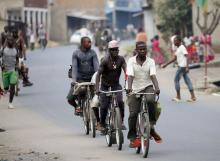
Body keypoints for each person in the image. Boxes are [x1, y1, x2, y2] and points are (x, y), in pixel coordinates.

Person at [126, 41, 162, 148]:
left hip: (147, 86)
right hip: (134, 88)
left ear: (147, 50)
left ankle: (151, 124)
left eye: (144, 49)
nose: (142, 51)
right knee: (133, 114)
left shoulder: (151, 61)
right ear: (136, 50)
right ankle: (132, 137)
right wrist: (129, 88)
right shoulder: (131, 61)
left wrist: (157, 87)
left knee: (151, 100)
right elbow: (130, 76)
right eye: (140, 49)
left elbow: (153, 76)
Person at [96, 40, 127, 133]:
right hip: (105, 86)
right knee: (104, 106)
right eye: (112, 50)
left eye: (116, 50)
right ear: (109, 51)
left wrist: (128, 84)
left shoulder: (121, 59)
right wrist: (97, 88)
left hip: (116, 85)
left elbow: (127, 72)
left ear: (118, 50)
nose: (115, 52)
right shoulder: (105, 60)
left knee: (120, 102)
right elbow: (98, 75)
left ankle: (121, 121)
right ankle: (102, 124)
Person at [67, 36, 99, 115]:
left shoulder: (93, 53)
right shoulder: (76, 53)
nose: (90, 43)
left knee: (99, 97)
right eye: (88, 42)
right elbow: (74, 68)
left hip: (92, 79)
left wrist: (98, 77)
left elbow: (97, 68)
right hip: (80, 79)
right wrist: (74, 81)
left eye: (90, 42)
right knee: (70, 98)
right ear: (82, 43)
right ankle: (77, 107)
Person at [162, 35, 196, 102]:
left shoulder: (182, 47)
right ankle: (193, 96)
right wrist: (166, 64)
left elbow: (187, 56)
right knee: (187, 80)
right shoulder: (178, 49)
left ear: (179, 41)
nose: (174, 42)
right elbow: (174, 59)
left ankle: (178, 96)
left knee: (176, 80)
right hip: (182, 66)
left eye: (175, 41)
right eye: (173, 41)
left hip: (182, 66)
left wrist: (187, 67)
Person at [1, 35, 19, 109]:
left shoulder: (15, 50)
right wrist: (1, 65)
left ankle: (10, 103)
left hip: (13, 71)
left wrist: (17, 65)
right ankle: (5, 89)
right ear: (7, 41)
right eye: (9, 40)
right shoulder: (3, 49)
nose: (11, 42)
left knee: (12, 86)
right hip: (5, 71)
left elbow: (17, 58)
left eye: (12, 40)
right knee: (6, 87)